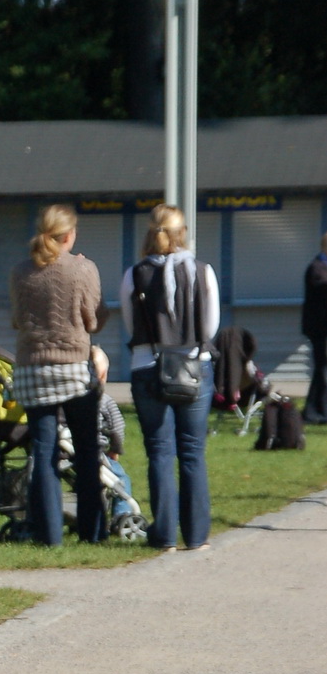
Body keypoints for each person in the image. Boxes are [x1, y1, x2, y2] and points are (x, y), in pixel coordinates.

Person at [120, 203, 220, 551]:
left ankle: (163, 535)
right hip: (193, 367)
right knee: (192, 452)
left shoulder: (135, 273)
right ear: (183, 234)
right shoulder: (202, 271)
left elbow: (131, 326)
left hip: (148, 367)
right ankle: (196, 536)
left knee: (160, 452)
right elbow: (210, 326)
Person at [9, 203, 108, 545]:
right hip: (73, 369)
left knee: (44, 451)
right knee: (86, 450)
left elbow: (17, 321)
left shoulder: (21, 272)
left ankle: (49, 535)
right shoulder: (83, 269)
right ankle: (93, 532)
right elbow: (94, 320)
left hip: (32, 370)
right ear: (70, 235)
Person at [301, 235, 327, 425]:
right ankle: (315, 411)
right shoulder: (317, 268)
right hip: (320, 328)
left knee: (322, 369)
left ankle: (315, 410)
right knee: (322, 369)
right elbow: (321, 290)